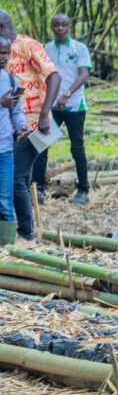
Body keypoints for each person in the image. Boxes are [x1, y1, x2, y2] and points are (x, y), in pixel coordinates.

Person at [0, 9, 60, 246]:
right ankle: (20, 231)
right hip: (9, 127)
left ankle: (25, 233)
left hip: (31, 125)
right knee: (19, 180)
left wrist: (45, 113)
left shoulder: (28, 46)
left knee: (16, 179)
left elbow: (53, 76)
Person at [43, 13, 92, 204]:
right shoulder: (47, 48)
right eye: (56, 25)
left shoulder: (79, 48)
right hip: (52, 106)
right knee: (42, 145)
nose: (60, 28)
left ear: (69, 27)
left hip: (74, 105)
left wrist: (67, 94)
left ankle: (83, 190)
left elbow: (83, 75)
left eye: (64, 24)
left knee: (77, 148)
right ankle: (37, 188)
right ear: (52, 27)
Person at [0, 36, 29, 245]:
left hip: (4, 149)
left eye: (6, 53)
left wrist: (22, 126)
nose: (4, 57)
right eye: (1, 53)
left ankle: (6, 248)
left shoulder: (11, 80)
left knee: (5, 200)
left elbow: (16, 112)